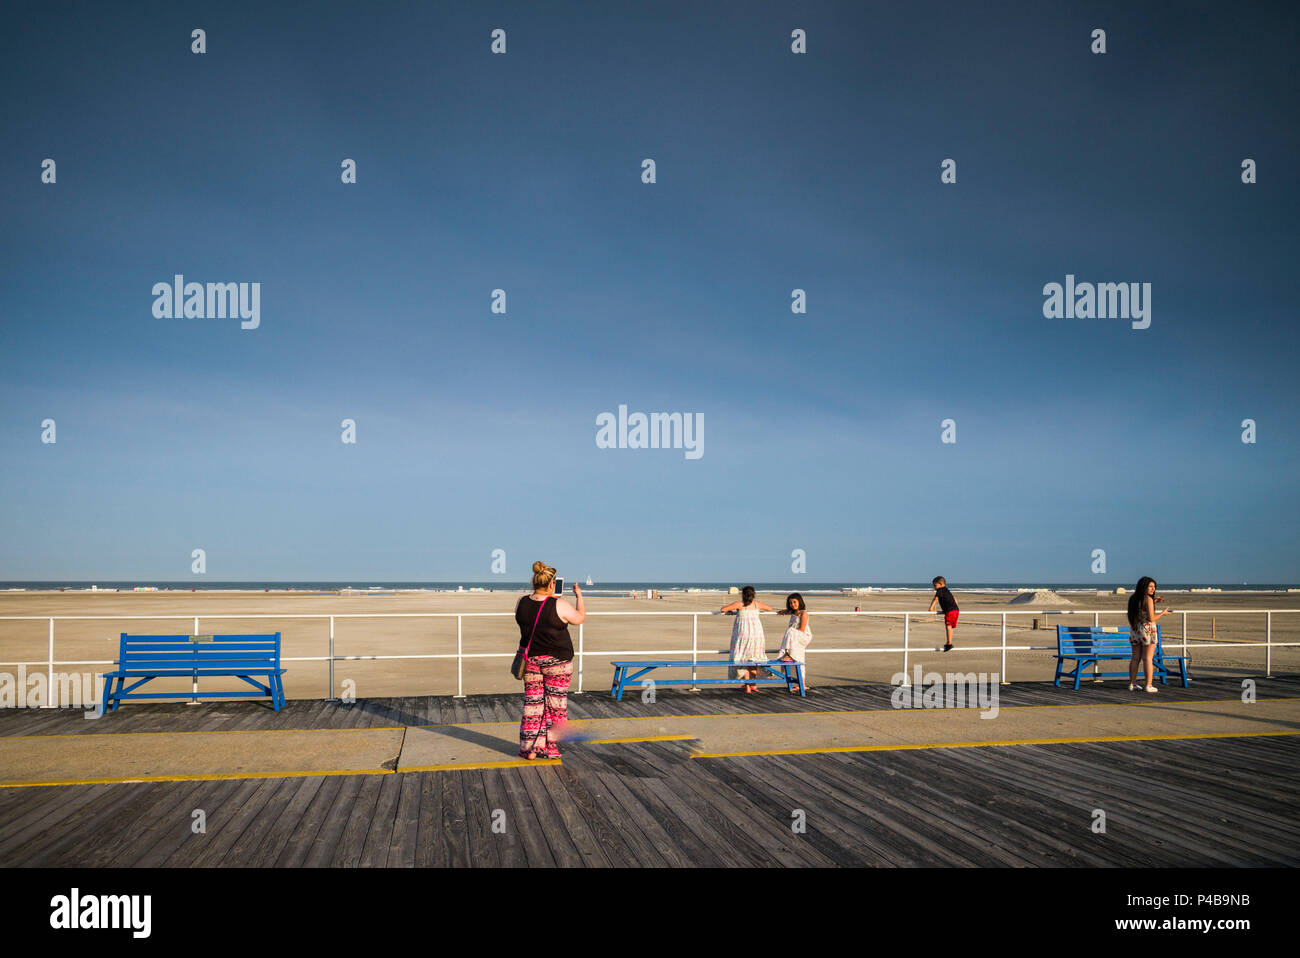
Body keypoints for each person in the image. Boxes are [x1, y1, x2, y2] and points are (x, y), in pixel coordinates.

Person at [515, 560, 585, 758]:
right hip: (558, 663)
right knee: (556, 706)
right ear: (552, 584)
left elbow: (528, 618)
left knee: (533, 706)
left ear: (534, 581)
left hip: (531, 661)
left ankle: (530, 749)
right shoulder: (559, 604)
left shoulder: (521, 602)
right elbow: (579, 618)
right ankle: (551, 748)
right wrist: (579, 596)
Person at [721, 586, 771, 693]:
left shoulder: (739, 604)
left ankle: (747, 685)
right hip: (756, 634)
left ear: (743, 595)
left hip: (743, 635)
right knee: (753, 659)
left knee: (743, 659)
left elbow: (723, 609)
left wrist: (732, 612)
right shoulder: (757, 604)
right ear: (753, 595)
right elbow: (769, 608)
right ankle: (753, 684)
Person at [1127, 576, 1172, 692]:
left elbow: (1138, 612)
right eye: (1150, 586)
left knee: (1135, 658)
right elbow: (1151, 618)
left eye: (1154, 587)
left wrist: (1154, 602)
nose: (1153, 589)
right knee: (1147, 658)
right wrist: (1163, 613)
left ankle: (1132, 683)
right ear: (1144, 587)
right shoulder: (1148, 599)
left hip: (1135, 629)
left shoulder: (1133, 598)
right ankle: (1148, 685)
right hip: (1148, 630)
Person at [776, 592, 812, 693]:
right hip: (794, 638)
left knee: (790, 630)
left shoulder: (803, 614)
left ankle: (786, 653)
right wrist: (785, 611)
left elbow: (802, 629)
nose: (793, 604)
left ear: (800, 602)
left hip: (803, 636)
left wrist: (792, 632)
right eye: (791, 603)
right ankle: (802, 684)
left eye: (795, 602)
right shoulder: (793, 612)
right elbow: (790, 611)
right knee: (799, 658)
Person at [928, 576, 959, 651]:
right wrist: (953, 607)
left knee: (948, 627)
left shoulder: (940, 590)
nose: (934, 588)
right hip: (955, 610)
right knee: (950, 627)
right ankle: (949, 642)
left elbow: (935, 599)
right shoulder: (947, 590)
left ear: (941, 584)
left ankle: (949, 644)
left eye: (935, 585)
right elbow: (954, 599)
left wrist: (931, 608)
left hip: (950, 611)